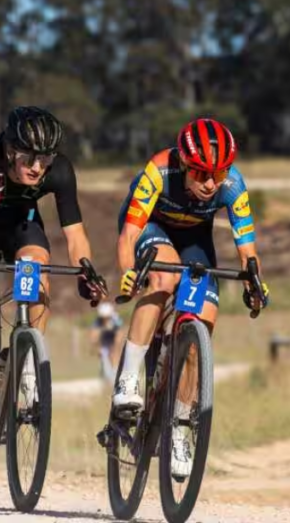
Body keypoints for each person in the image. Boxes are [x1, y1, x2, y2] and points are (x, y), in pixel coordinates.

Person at [0, 106, 107, 467]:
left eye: (45, 158)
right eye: (30, 157)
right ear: (9, 150)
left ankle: (28, 365)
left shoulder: (59, 170)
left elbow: (74, 233)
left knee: (35, 269)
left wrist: (86, 270)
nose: (38, 167)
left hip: (24, 229)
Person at [109, 117, 270, 479]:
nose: (211, 183)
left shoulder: (232, 184)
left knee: (204, 322)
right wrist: (128, 273)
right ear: (184, 163)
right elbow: (128, 236)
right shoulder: (158, 171)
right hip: (150, 229)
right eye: (200, 173)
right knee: (164, 278)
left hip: (195, 240)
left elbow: (248, 251)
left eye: (219, 173)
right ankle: (129, 377)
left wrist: (254, 285)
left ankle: (181, 423)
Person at [91, 301, 123, 384]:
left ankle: (116, 375)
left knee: (114, 354)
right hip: (104, 339)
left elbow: (119, 333)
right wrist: (97, 347)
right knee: (103, 356)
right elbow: (94, 334)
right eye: (103, 317)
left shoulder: (115, 319)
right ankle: (105, 377)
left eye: (107, 317)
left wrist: (115, 347)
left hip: (113, 338)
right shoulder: (98, 320)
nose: (105, 319)